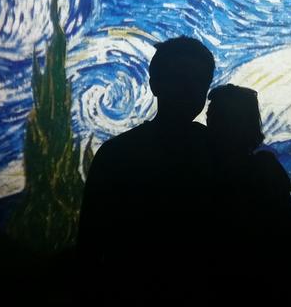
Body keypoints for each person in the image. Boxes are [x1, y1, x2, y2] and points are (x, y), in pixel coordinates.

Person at [77, 36, 217, 305]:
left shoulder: (117, 153)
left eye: (199, 82)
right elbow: (91, 247)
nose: (189, 89)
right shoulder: (116, 155)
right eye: (180, 79)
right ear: (155, 84)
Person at [206, 84, 291, 305]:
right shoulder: (267, 169)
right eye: (211, 115)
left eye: (215, 115)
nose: (209, 121)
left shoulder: (260, 172)